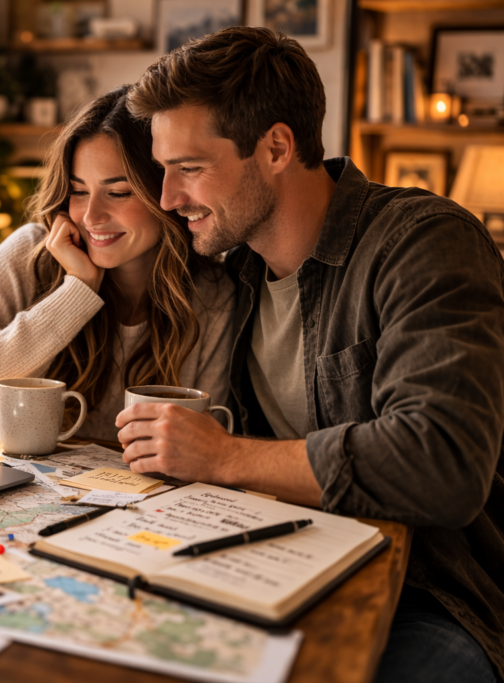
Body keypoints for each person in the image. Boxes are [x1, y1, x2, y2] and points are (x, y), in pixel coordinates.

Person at [117, 26, 503, 681]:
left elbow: (445, 461)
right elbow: (97, 238)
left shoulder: (424, 242)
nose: (168, 198)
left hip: (430, 597)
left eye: (188, 169)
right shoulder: (231, 274)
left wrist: (224, 455)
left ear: (275, 147)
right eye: (162, 171)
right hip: (276, 569)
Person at [0, 85, 235, 442]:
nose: (91, 216)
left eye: (118, 193)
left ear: (163, 193)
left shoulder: (213, 294)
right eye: (79, 190)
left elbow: (205, 443)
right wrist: (75, 294)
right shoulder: (33, 255)